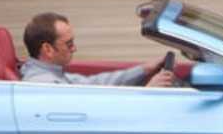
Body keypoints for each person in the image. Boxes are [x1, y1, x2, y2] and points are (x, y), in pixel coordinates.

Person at [19, 12, 175, 87]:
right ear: (47, 49)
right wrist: (148, 92)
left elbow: (95, 83)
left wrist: (143, 70)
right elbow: (99, 110)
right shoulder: (44, 85)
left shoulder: (52, 74)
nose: (74, 48)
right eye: (69, 44)